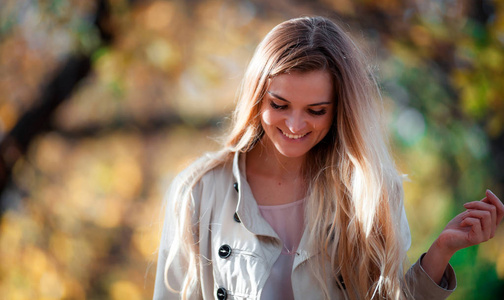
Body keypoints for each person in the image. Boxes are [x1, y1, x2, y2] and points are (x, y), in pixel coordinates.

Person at [153, 16, 504, 300]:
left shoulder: (371, 191)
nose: (294, 125)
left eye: (316, 110)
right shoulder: (198, 190)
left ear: (340, 111)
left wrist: (441, 251)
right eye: (279, 105)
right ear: (257, 97)